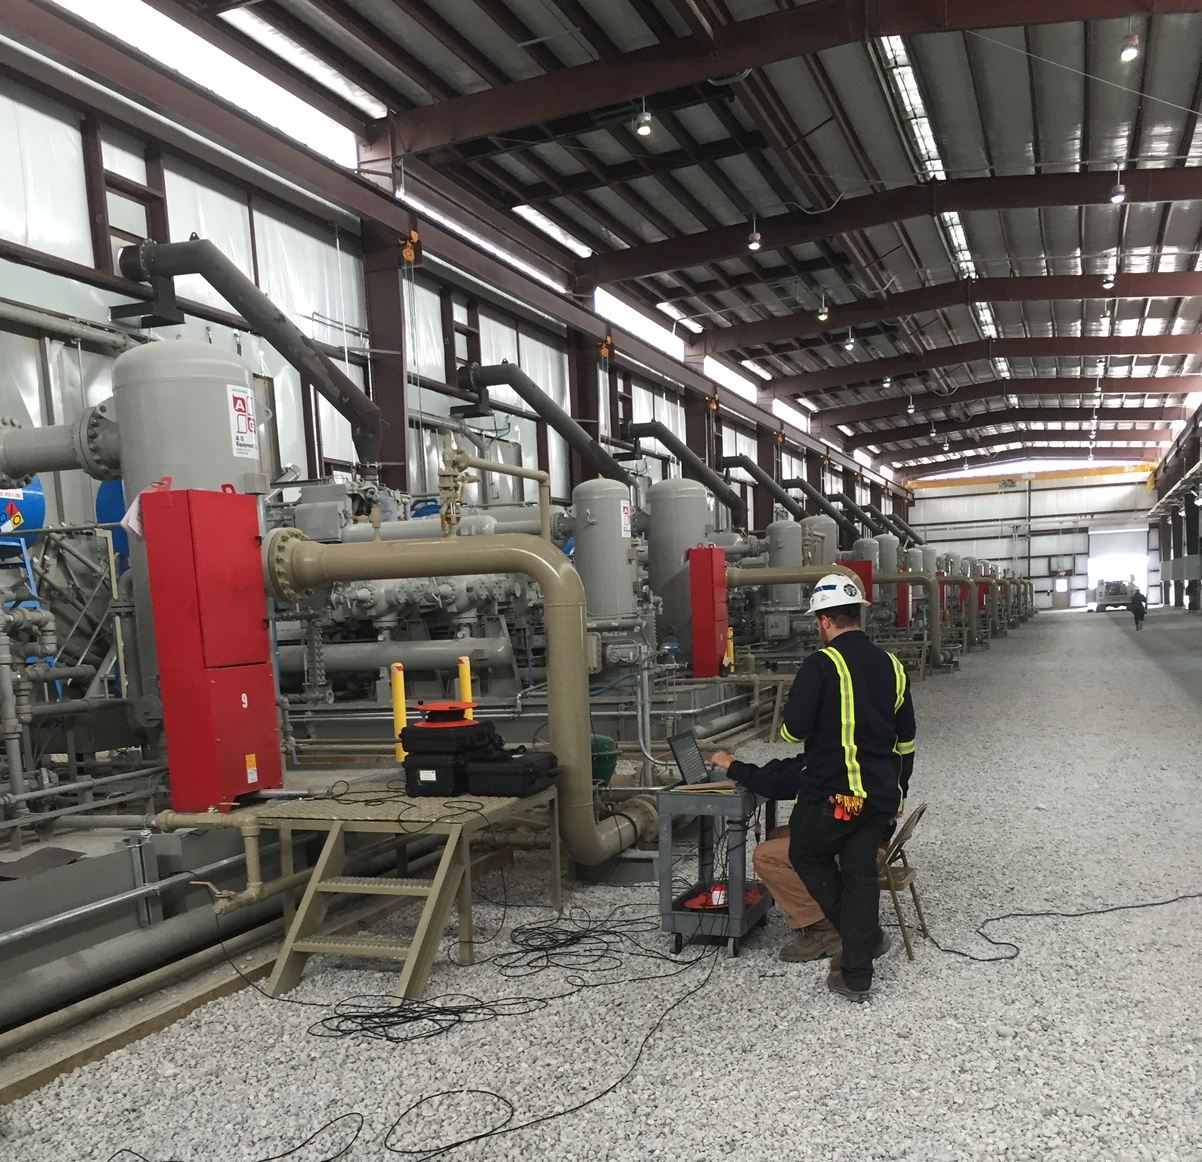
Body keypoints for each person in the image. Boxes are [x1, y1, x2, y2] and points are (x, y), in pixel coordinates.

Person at [713, 573, 916, 1003]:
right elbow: (906, 740)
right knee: (859, 874)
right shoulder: (894, 667)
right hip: (878, 799)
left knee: (807, 854)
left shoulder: (822, 665)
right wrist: (898, 792)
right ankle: (857, 972)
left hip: (835, 798)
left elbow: (792, 731)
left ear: (823, 621)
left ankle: (853, 938)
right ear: (858, 613)